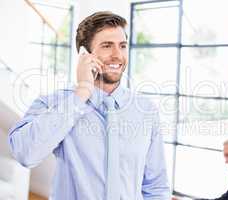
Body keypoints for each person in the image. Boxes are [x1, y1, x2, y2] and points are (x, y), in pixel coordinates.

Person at [8, 11, 170, 200]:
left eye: (122, 46)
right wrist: (82, 92)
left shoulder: (146, 110)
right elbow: (25, 153)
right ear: (84, 54)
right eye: (107, 46)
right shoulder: (54, 104)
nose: (117, 55)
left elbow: (156, 187)